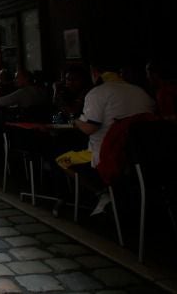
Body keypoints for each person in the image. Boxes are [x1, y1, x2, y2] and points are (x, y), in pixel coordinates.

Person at [57, 60, 155, 215]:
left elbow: (89, 128)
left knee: (62, 161)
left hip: (105, 156)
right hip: (143, 159)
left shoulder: (98, 93)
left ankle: (102, 194)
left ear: (94, 72)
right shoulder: (141, 92)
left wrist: (73, 120)